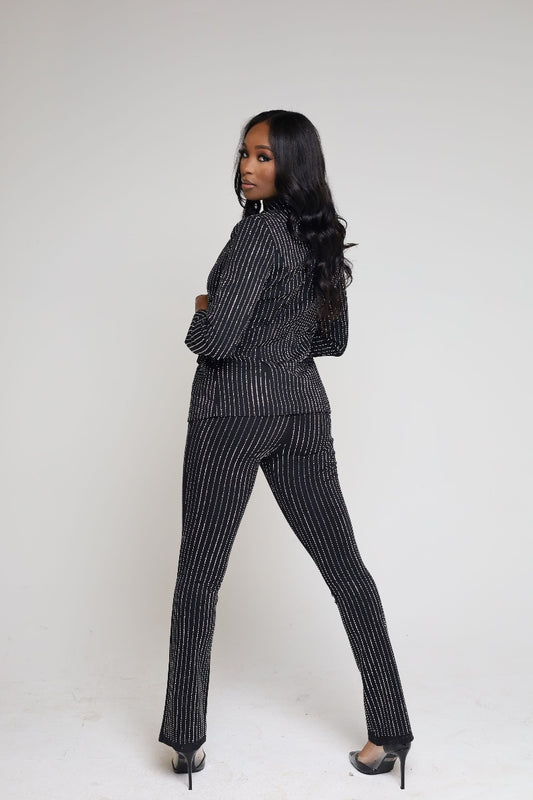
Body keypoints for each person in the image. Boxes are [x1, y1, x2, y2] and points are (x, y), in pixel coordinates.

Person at [158, 110, 414, 790]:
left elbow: (215, 341)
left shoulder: (257, 233)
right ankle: (389, 731)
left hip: (232, 414)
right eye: (245, 154)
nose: (247, 167)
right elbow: (332, 343)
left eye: (263, 156)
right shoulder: (319, 238)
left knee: (199, 577)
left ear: (292, 165)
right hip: (303, 409)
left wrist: (202, 309)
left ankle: (186, 739)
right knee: (347, 571)